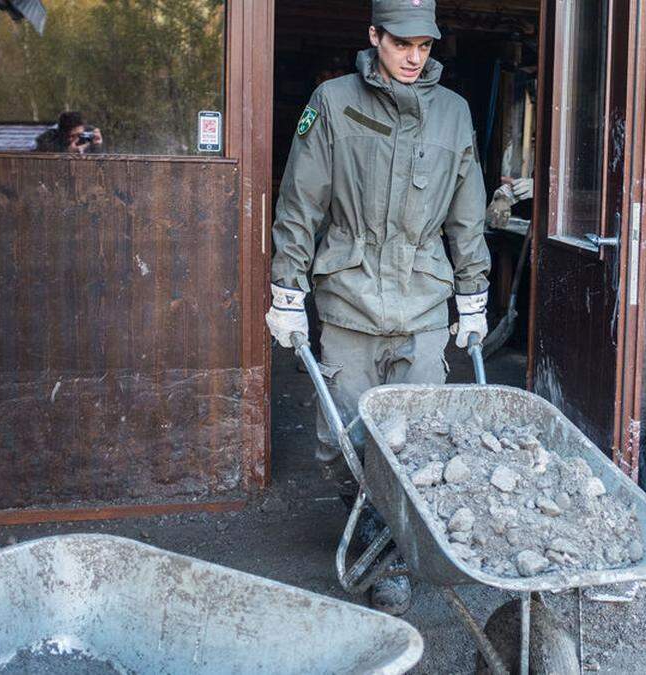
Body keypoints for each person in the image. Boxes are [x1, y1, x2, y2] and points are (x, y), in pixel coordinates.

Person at [265, 0, 490, 616]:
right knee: (338, 442)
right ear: (374, 37)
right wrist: (287, 292)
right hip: (348, 301)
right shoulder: (333, 104)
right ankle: (367, 521)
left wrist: (473, 298)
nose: (415, 57)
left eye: (425, 45)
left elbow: (467, 215)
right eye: (402, 44)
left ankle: (393, 552)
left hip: (423, 303)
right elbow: (300, 204)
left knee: (419, 441)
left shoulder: (454, 114)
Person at [34, 111, 103, 154]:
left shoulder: (88, 134)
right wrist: (66, 152)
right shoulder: (48, 138)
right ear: (62, 133)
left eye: (80, 135)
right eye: (72, 136)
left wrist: (96, 146)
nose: (77, 139)